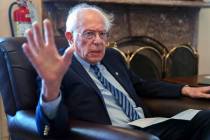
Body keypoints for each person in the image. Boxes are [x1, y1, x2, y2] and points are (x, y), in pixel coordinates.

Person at [22, 3, 210, 140]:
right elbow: (50, 130)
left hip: (146, 125)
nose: (98, 41)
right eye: (89, 33)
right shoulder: (57, 68)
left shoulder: (112, 56)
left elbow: (141, 85)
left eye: (102, 34)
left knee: (205, 117)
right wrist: (51, 88)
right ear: (70, 37)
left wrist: (184, 89)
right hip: (116, 134)